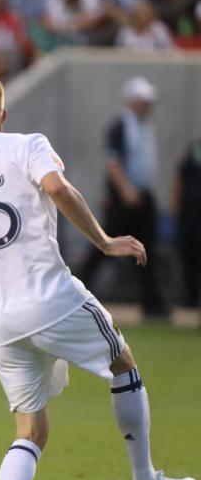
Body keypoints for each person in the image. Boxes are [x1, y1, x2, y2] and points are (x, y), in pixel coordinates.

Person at [0, 73, 195, 480]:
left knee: (31, 431)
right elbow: (58, 187)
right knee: (124, 364)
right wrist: (105, 241)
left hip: (0, 322)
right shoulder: (26, 145)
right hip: (52, 297)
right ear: (2, 114)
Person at [78, 77, 167, 317]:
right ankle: (78, 289)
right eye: (143, 100)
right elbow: (113, 162)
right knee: (104, 244)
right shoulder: (121, 125)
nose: (148, 105)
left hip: (142, 196)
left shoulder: (145, 125)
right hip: (125, 197)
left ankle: (152, 302)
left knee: (146, 248)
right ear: (133, 100)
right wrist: (126, 190)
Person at [172, 138, 201, 309]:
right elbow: (180, 179)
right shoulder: (195, 149)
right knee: (188, 256)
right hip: (190, 214)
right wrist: (174, 208)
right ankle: (191, 297)